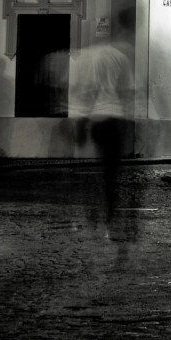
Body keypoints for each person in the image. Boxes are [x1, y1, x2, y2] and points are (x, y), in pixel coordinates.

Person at [71, 19, 135, 240]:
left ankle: (92, 215)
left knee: (91, 169)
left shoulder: (84, 58)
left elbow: (83, 92)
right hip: (115, 118)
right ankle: (109, 215)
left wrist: (81, 122)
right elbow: (127, 93)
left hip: (95, 120)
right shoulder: (120, 58)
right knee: (111, 171)